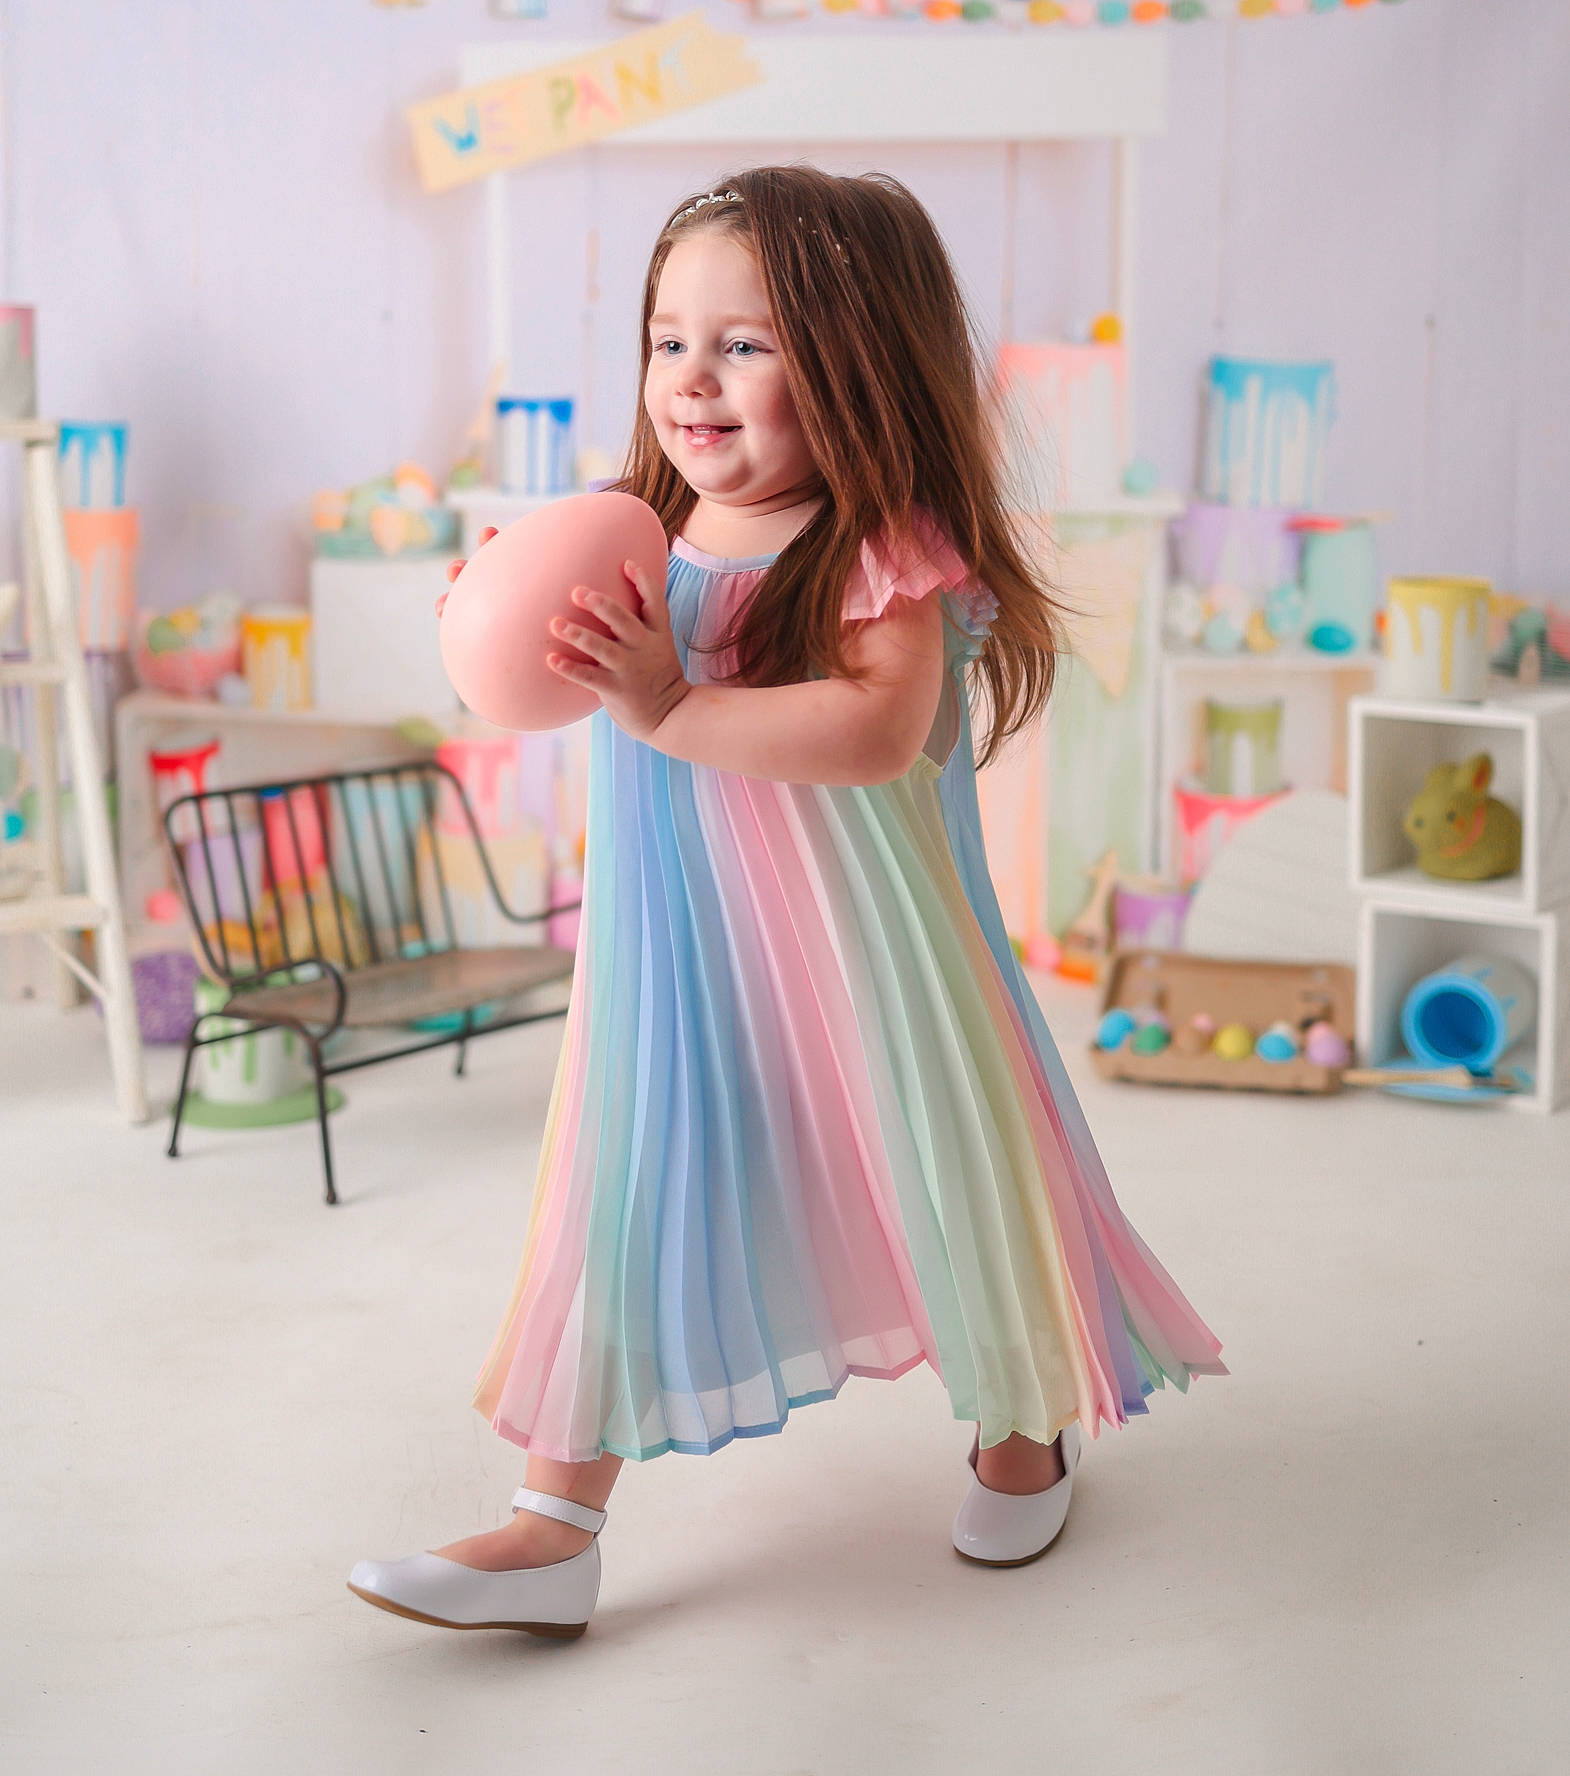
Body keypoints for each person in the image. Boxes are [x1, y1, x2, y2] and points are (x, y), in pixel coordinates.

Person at [349, 166, 1225, 1639]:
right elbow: (533, 678)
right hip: (679, 959)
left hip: (864, 954)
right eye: (667, 337)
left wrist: (671, 703)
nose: (693, 377)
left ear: (862, 361)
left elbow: (878, 733)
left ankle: (1022, 1424)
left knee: (942, 1163)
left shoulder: (881, 545)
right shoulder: (640, 530)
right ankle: (553, 1525)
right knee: (623, 1187)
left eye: (746, 343)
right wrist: (491, 609)